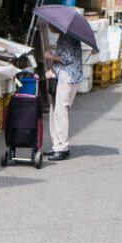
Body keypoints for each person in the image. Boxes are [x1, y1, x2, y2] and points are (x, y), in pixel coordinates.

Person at [43, 30, 84, 161]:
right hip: (63, 76)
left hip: (67, 78)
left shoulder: (68, 36)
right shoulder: (66, 35)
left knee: (60, 112)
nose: (49, 26)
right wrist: (53, 68)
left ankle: (62, 147)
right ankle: (57, 145)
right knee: (55, 111)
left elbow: (67, 59)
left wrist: (50, 56)